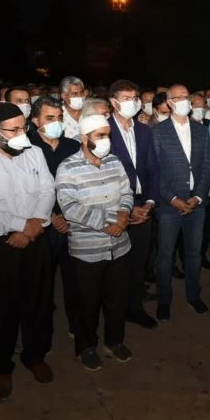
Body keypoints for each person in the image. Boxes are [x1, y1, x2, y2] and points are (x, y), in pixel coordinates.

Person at [0, 103, 56, 399]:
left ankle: (35, 356)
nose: (22, 134)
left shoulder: (34, 153)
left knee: (38, 301)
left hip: (36, 237)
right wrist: (21, 226)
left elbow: (47, 190)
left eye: (24, 127)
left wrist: (32, 227)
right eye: (14, 129)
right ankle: (0, 368)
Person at [56, 114, 135, 370]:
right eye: (100, 135)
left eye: (107, 135)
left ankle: (114, 341)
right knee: (86, 303)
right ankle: (86, 346)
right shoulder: (68, 167)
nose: (106, 140)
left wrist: (123, 215)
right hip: (87, 250)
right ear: (84, 138)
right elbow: (70, 208)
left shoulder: (114, 161)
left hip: (119, 247)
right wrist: (112, 221)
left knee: (117, 299)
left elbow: (127, 192)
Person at [151, 84, 210, 321]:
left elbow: (207, 166)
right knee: (165, 254)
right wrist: (173, 199)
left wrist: (198, 196)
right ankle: (163, 299)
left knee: (194, 253)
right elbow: (155, 171)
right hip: (169, 206)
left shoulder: (201, 130)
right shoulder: (158, 132)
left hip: (197, 204)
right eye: (177, 98)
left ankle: (193, 295)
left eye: (186, 97)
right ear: (169, 102)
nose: (183, 101)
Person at [107, 80, 160, 330]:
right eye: (126, 98)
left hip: (143, 205)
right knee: (116, 266)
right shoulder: (103, 131)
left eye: (135, 98)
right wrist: (125, 209)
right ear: (113, 102)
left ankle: (135, 308)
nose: (133, 103)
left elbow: (153, 168)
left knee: (139, 262)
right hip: (116, 208)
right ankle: (114, 313)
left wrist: (149, 202)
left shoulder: (144, 130)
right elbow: (103, 177)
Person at [28, 97, 82, 343]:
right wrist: (49, 216)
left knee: (75, 281)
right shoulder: (26, 147)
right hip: (40, 225)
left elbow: (82, 183)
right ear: (35, 120)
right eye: (49, 118)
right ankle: (41, 335)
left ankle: (78, 327)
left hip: (72, 223)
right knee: (40, 285)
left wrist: (69, 216)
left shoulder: (73, 146)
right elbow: (24, 189)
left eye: (59, 118)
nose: (56, 123)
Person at [60, 75, 86, 140]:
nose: (80, 96)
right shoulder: (58, 114)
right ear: (64, 96)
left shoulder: (90, 111)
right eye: (74, 94)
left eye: (81, 92)